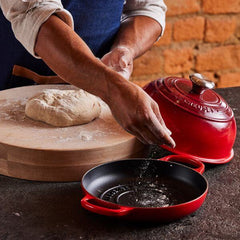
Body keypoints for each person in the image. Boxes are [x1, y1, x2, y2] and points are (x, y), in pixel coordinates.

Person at [0, 0, 175, 147]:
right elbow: (34, 14)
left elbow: (147, 6)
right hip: (13, 84)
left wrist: (125, 48)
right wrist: (113, 89)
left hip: (102, 94)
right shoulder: (112, 89)